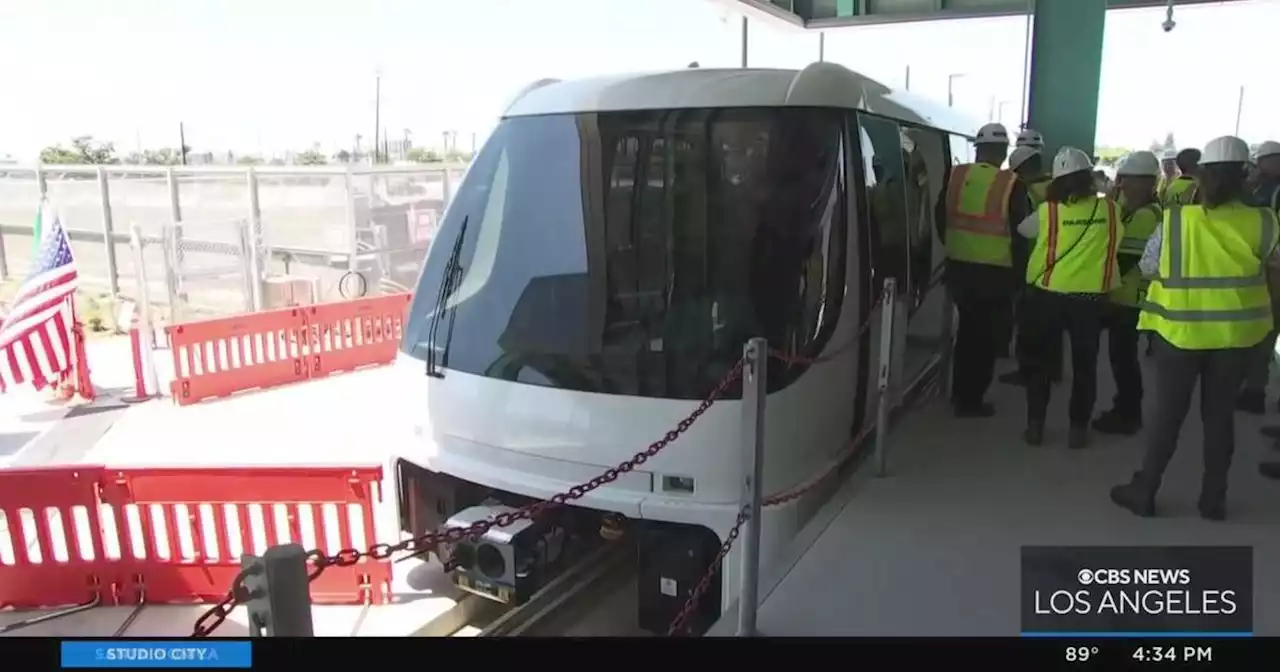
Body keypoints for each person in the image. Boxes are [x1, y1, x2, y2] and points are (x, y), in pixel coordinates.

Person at [1110, 136, 1280, 521]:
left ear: (1203, 176)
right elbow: (1275, 275)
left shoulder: (1174, 221)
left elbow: (1150, 268)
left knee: (1167, 416)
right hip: (1238, 339)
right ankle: (1213, 499)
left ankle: (1146, 490)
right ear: (1246, 175)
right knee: (1220, 417)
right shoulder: (1266, 222)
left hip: (1178, 335)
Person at [1016, 148, 1122, 448]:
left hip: (1048, 297)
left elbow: (1023, 231)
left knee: (1041, 365)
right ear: (1088, 178)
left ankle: (1035, 426)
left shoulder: (1048, 212)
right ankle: (1078, 429)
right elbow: (1119, 239)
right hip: (1090, 300)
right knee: (1085, 366)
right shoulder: (1110, 210)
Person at [936, 123, 1032, 418]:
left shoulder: (956, 175)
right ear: (1004, 151)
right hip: (996, 274)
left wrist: (955, 246)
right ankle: (971, 400)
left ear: (977, 147)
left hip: (960, 269)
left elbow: (940, 217)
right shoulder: (1011, 183)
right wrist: (1020, 276)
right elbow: (1021, 234)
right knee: (986, 340)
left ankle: (959, 394)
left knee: (966, 333)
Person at [1093, 151, 1162, 435]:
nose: (1123, 186)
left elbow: (1124, 259)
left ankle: (1128, 413)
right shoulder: (1131, 208)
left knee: (1123, 358)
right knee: (1121, 356)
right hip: (1124, 295)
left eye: (1129, 181)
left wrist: (1102, 290)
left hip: (1130, 299)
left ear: (1147, 184)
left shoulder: (1147, 215)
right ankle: (1125, 408)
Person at [999, 146, 1062, 385]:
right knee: (1053, 322)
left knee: (1028, 321)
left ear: (1023, 169)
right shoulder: (1057, 187)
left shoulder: (1028, 190)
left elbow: (1022, 227)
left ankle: (1028, 370)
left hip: (1033, 260)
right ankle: (1053, 368)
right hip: (1056, 262)